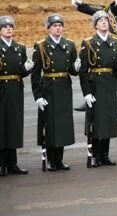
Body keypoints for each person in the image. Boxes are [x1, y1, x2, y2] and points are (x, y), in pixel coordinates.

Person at [32, 14, 80, 171]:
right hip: (49, 88)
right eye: (54, 25)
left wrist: (77, 66)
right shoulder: (40, 46)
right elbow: (35, 74)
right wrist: (38, 96)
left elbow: (72, 71)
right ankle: (51, 160)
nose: (58, 28)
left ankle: (59, 159)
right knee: (51, 124)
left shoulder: (70, 45)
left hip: (64, 87)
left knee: (63, 125)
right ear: (49, 28)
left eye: (60, 25)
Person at [79, 11, 117, 167]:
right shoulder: (89, 43)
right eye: (100, 21)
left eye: (106, 20)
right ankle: (94, 155)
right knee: (96, 121)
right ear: (95, 25)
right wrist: (86, 93)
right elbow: (83, 71)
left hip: (109, 85)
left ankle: (104, 155)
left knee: (107, 120)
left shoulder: (116, 43)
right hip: (95, 85)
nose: (104, 22)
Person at [0, 16, 33, 176]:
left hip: (14, 89)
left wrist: (27, 69)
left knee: (13, 125)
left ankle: (12, 163)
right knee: (1, 125)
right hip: (1, 89)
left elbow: (21, 72)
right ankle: (1, 164)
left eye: (10, 27)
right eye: (5, 27)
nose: (8, 29)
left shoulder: (19, 48)